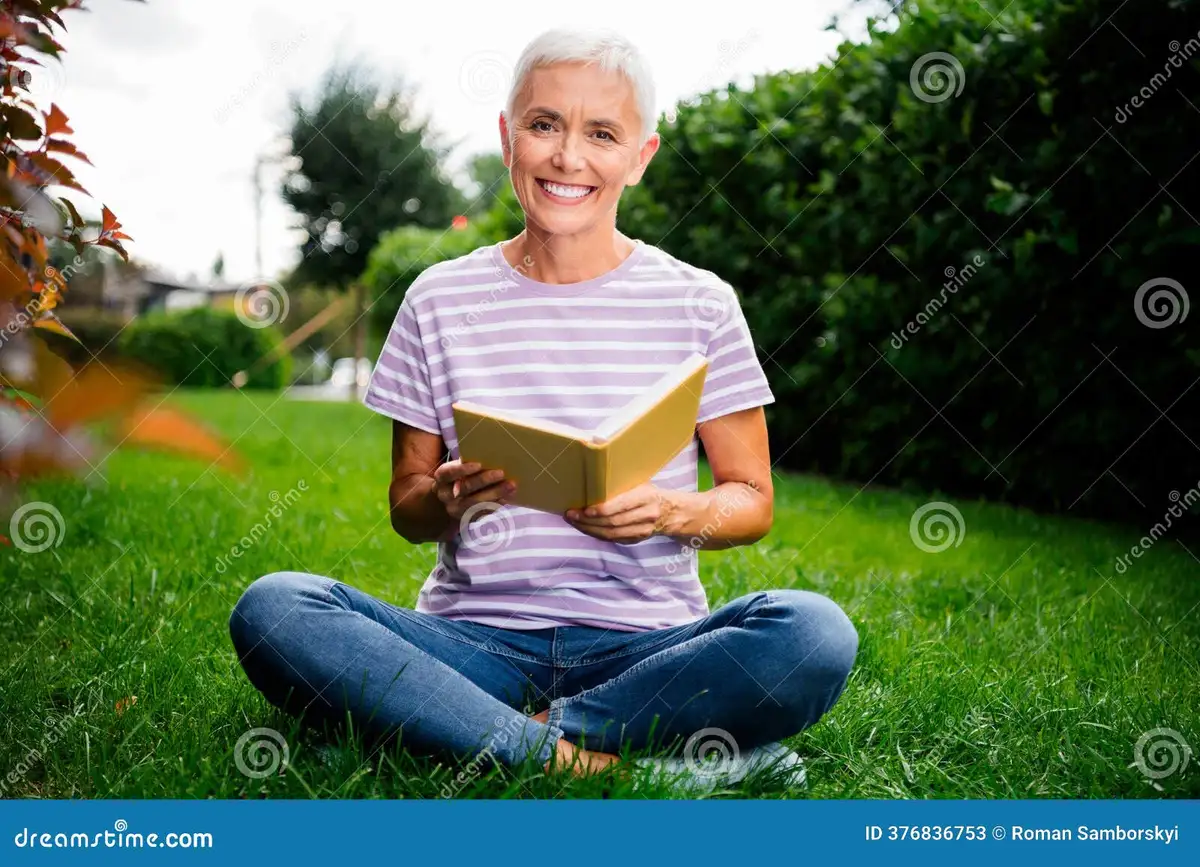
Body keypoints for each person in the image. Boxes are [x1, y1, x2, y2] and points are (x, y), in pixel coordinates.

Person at [229, 27, 857, 783]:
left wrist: (665, 511)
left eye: (602, 134)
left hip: (647, 645)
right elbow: (406, 507)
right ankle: (603, 762)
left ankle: (461, 734)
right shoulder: (438, 298)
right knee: (276, 607)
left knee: (814, 633)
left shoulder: (701, 302)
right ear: (507, 137)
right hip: (471, 644)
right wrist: (448, 498)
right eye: (543, 125)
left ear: (640, 156)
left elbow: (752, 501)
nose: (568, 157)